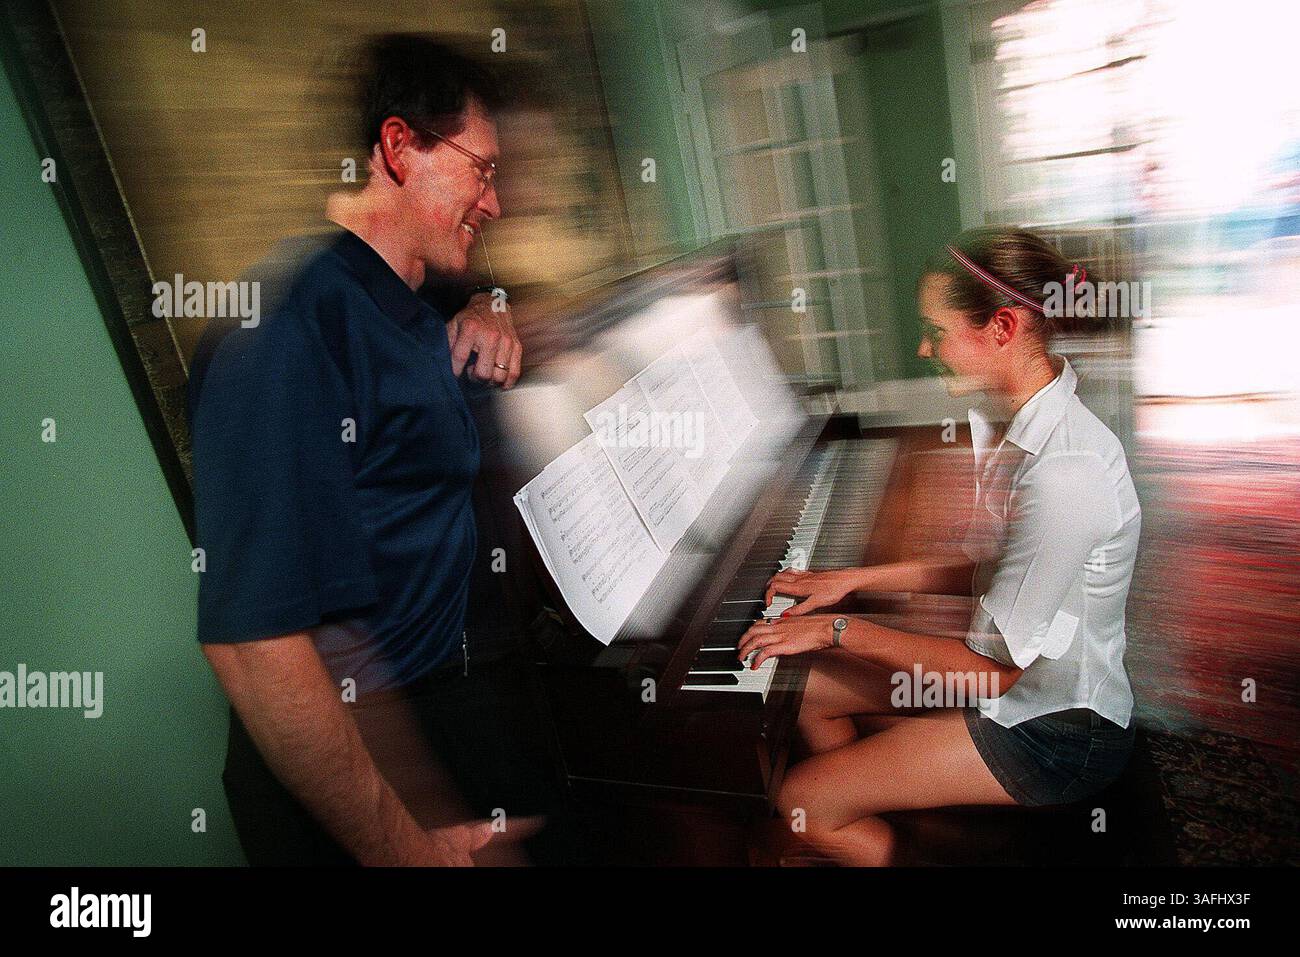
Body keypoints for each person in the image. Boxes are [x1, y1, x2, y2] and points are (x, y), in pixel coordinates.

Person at [187, 34, 548, 866]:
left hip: (443, 696)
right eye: (481, 170)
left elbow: (492, 301)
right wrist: (404, 851)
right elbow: (252, 644)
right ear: (397, 147)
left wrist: (493, 302)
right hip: (348, 770)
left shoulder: (422, 285)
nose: (495, 203)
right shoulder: (281, 332)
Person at [738, 227, 1141, 866]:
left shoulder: (1066, 472)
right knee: (804, 690)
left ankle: (842, 819)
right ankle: (859, 815)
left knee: (799, 802)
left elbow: (993, 672)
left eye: (938, 329)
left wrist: (834, 629)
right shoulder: (1042, 423)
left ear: (1002, 328)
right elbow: (998, 573)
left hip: (1054, 730)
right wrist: (854, 579)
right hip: (1021, 686)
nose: (926, 346)